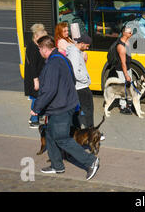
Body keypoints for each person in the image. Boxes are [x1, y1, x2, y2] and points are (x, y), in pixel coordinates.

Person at [31, 35, 100, 180]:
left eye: (39, 49)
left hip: (60, 107)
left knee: (62, 138)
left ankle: (91, 161)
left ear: (44, 48)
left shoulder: (52, 64)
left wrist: (36, 108)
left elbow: (49, 90)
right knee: (50, 134)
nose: (39, 51)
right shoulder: (62, 59)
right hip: (66, 104)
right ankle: (57, 166)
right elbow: (72, 79)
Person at [66, 34, 94, 129]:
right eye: (87, 46)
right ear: (82, 43)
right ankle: (90, 131)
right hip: (81, 87)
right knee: (88, 109)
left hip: (78, 86)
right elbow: (75, 72)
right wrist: (85, 79)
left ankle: (78, 129)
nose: (87, 48)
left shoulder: (75, 51)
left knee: (79, 110)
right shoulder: (74, 53)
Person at [24, 24, 47, 128]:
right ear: (36, 36)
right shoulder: (32, 48)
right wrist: (35, 80)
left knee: (38, 97)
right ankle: (33, 120)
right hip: (34, 77)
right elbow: (32, 66)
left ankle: (37, 116)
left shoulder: (36, 45)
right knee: (35, 97)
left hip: (38, 76)